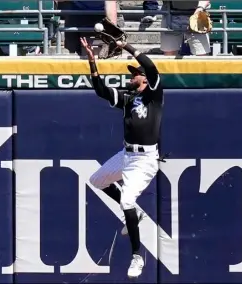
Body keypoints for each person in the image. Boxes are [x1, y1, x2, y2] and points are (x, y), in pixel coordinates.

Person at [80, 36, 163, 279]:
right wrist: (92, 62)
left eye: (134, 74)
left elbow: (151, 66)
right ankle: (134, 215)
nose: (131, 76)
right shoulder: (129, 99)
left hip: (144, 160)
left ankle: (137, 255)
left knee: (126, 201)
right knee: (97, 180)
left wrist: (126, 46)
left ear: (144, 79)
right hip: (126, 154)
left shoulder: (154, 95)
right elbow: (101, 90)